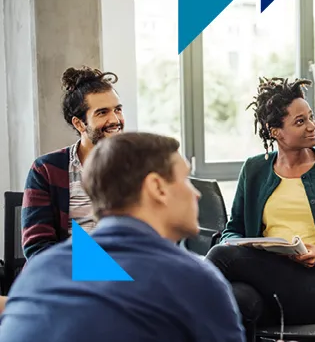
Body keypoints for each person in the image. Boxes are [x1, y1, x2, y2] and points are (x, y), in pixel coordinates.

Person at [0, 132, 247, 342]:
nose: (196, 194)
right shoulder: (195, 281)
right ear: (157, 188)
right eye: (184, 179)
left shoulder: (38, 271)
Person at [205, 77, 315, 341]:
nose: (312, 126)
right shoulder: (254, 169)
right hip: (266, 285)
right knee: (239, 301)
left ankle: (170, 317)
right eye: (300, 121)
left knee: (220, 257)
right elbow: (232, 231)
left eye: (311, 117)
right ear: (275, 131)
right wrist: (241, 244)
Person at [21, 66, 125, 260]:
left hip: (125, 281)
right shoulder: (45, 170)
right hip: (66, 280)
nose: (115, 120)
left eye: (118, 109)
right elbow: (37, 248)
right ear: (79, 124)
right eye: (102, 113)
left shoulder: (138, 166)